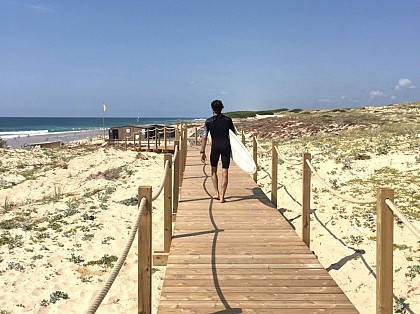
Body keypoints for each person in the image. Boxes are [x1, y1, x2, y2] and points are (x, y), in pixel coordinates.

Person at [200, 100, 235, 203]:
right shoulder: (228, 120)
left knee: (213, 171)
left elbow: (205, 137)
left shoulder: (209, 121)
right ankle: (222, 197)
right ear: (222, 108)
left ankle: (216, 192)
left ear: (212, 109)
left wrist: (202, 151)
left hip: (215, 147)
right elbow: (233, 135)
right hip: (225, 146)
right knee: (225, 171)